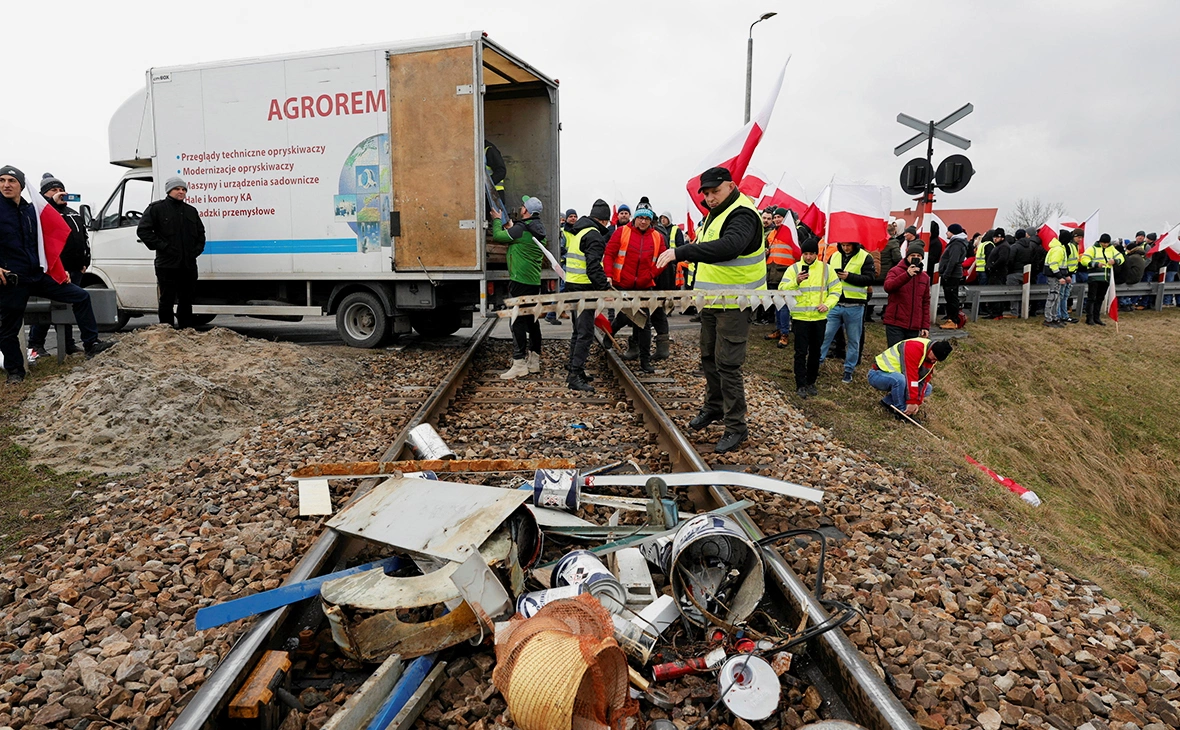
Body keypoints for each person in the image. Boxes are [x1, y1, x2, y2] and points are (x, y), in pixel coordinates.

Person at [656, 167, 764, 453]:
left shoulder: (743, 214)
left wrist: (682, 251)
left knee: (728, 364)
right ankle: (714, 407)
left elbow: (730, 247)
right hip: (712, 302)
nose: (710, 197)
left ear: (731, 186)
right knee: (709, 358)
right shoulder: (714, 215)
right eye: (706, 193)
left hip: (735, 303)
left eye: (715, 191)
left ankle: (736, 426)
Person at [0, 165, 113, 384]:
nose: (6, 185)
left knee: (81, 296)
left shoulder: (30, 210)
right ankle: (15, 372)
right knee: (9, 328)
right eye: (1, 180)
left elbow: (45, 243)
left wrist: (59, 270)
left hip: (37, 275)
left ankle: (91, 344)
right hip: (13, 279)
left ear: (21, 185)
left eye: (11, 181)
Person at [27, 173, 91, 361]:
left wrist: (85, 261)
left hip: (76, 269)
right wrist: (52, 203)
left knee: (68, 307)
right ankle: (36, 344)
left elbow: (84, 237)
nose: (59, 192)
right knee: (46, 308)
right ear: (43, 194)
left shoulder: (73, 213)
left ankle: (68, 343)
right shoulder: (42, 212)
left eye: (61, 189)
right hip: (55, 269)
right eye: (53, 190)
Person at [603, 206, 667, 373]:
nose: (643, 221)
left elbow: (663, 259)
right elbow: (609, 254)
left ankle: (644, 360)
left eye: (646, 219)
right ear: (635, 218)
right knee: (626, 315)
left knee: (644, 322)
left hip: (644, 286)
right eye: (640, 218)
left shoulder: (657, 237)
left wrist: (651, 274)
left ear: (650, 220)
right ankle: (612, 331)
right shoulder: (622, 232)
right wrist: (608, 274)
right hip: (623, 283)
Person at [137, 177, 206, 329]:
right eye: (177, 189)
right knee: (166, 299)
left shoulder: (191, 211)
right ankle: (166, 330)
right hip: (167, 265)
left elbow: (201, 234)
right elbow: (143, 231)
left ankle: (186, 330)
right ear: (169, 191)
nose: (181, 192)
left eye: (184, 189)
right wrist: (164, 247)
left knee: (186, 299)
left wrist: (195, 251)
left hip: (188, 265)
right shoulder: (157, 209)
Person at [492, 195, 547, 379]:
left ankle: (519, 363)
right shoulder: (538, 228)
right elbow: (520, 238)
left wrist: (497, 220)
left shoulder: (521, 229)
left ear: (526, 211)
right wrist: (512, 228)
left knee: (516, 321)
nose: (521, 207)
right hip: (533, 281)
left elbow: (498, 236)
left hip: (519, 281)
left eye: (523, 206)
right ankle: (534, 361)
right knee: (531, 320)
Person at [781, 238, 841, 398]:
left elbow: (836, 290)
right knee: (800, 352)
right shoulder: (794, 269)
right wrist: (796, 281)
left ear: (817, 254)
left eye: (812, 254)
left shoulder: (826, 269)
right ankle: (800, 384)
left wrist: (827, 304)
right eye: (806, 254)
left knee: (815, 351)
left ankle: (811, 381)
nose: (808, 257)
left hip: (818, 318)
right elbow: (782, 289)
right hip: (800, 318)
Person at [564, 199, 611, 392]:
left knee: (578, 330)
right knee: (586, 333)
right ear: (604, 221)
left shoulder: (580, 231)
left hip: (572, 285)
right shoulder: (594, 236)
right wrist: (604, 287)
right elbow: (593, 267)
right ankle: (575, 375)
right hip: (584, 288)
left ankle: (574, 368)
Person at [819, 239, 875, 384]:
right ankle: (817, 363)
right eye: (843, 245)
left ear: (854, 244)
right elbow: (826, 276)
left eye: (848, 245)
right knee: (825, 336)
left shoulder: (865, 257)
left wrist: (849, 277)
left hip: (855, 305)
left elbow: (870, 278)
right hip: (835, 303)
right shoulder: (835, 255)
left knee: (853, 340)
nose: (845, 248)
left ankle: (848, 370)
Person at [868, 337, 953, 419]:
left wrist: (917, 402)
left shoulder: (930, 356)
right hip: (877, 374)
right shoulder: (914, 348)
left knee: (928, 389)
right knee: (900, 380)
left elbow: (923, 381)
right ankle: (901, 411)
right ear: (931, 350)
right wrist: (911, 401)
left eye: (936, 360)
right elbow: (911, 377)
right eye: (934, 358)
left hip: (897, 377)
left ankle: (888, 402)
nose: (933, 361)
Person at [883, 242, 931, 346]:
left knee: (909, 354)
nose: (916, 258)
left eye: (918, 256)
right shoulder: (895, 271)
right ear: (907, 256)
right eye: (913, 255)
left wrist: (925, 326)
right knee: (895, 353)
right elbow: (888, 287)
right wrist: (907, 275)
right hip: (896, 323)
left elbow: (925, 303)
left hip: (914, 325)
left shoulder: (925, 277)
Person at [652, 211, 684, 361]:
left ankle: (641, 347)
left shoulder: (658, 234)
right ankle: (661, 347)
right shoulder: (661, 232)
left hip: (660, 275)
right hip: (663, 275)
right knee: (657, 313)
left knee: (651, 313)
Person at [764, 207, 798, 343]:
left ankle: (784, 333)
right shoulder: (771, 234)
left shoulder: (791, 233)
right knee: (776, 303)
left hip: (785, 274)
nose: (777, 219)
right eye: (775, 217)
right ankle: (779, 329)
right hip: (772, 274)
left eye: (780, 217)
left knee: (783, 305)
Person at [1079, 233, 1123, 326]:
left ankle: (1096, 317)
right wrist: (1096, 264)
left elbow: (1121, 257)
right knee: (1092, 298)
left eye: (1107, 243)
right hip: (1094, 277)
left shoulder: (1112, 249)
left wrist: (1115, 261)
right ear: (1100, 241)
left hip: (1106, 278)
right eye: (1103, 243)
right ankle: (1089, 318)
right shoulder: (1092, 249)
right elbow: (1084, 260)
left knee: (1100, 298)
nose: (1105, 245)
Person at [938, 223, 968, 329]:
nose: (946, 233)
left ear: (953, 232)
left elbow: (953, 261)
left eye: (948, 231)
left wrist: (946, 274)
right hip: (953, 274)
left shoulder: (956, 244)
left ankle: (953, 320)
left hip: (952, 275)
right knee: (950, 296)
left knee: (951, 297)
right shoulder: (957, 243)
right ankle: (950, 316)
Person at [1043, 231, 1069, 328]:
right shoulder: (1058, 249)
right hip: (1054, 276)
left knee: (1056, 298)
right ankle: (1048, 319)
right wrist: (1060, 276)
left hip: (1055, 276)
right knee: (1053, 297)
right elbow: (1053, 264)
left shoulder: (1058, 248)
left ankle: (1054, 318)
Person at [984, 229, 1011, 318]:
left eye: (997, 237)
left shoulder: (1004, 247)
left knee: (996, 292)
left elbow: (1002, 259)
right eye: (994, 237)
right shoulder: (999, 246)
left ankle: (996, 312)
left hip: (998, 273)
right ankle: (994, 311)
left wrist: (992, 266)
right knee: (994, 291)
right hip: (995, 272)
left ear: (1002, 238)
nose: (995, 239)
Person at [1007, 229, 1035, 315]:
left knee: (1013, 293)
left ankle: (1014, 312)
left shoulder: (1014, 247)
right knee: (1025, 293)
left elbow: (1010, 260)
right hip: (1027, 272)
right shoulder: (1031, 246)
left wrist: (1009, 270)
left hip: (1014, 272)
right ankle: (1024, 311)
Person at [1059, 229, 1082, 324]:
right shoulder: (1068, 246)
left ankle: (1064, 315)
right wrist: (1067, 274)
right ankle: (1060, 315)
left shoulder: (1074, 246)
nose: (1080, 239)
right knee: (1062, 296)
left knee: (1065, 296)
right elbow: (1065, 262)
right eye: (1078, 237)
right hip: (1066, 274)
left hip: (1071, 274)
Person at [484, 140, 507, 207]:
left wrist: (487, 185)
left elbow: (501, 171)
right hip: (487, 194)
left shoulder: (489, 150)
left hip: (495, 195)